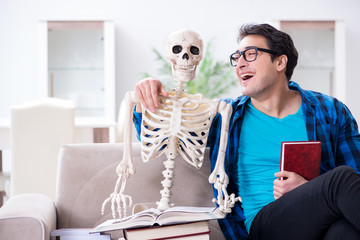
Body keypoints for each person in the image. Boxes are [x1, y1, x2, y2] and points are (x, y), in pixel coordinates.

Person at [132, 23, 360, 239]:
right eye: (236, 57)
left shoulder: (330, 111)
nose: (239, 64)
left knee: (345, 232)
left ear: (280, 62)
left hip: (324, 223)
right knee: (339, 180)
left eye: (250, 54)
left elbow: (356, 179)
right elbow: (163, 138)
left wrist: (309, 189)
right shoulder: (225, 117)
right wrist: (146, 97)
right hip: (264, 228)